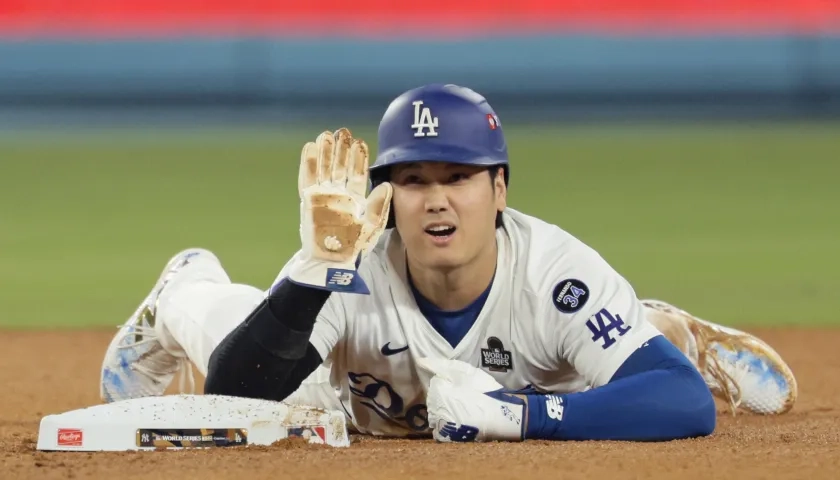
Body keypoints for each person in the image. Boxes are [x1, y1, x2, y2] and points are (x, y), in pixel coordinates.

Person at [100, 84, 797, 443]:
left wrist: (523, 418)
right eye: (413, 180)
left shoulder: (552, 272)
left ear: (499, 189)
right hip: (347, 400)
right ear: (386, 195)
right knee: (239, 335)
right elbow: (238, 391)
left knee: (608, 357)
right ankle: (184, 286)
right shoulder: (351, 257)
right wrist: (313, 270)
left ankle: (660, 330)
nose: (437, 201)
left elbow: (682, 402)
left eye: (458, 178)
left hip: (530, 366)